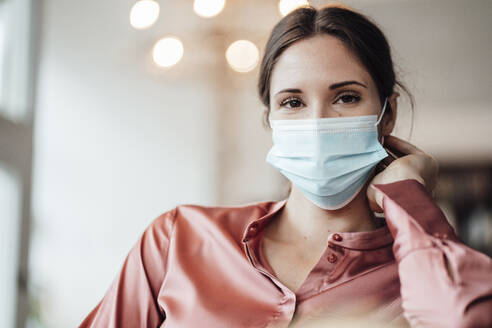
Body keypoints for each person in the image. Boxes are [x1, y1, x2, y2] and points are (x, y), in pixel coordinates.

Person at [79, 5, 492, 328]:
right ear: (270, 121)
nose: (317, 123)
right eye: (293, 102)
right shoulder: (176, 240)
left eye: (346, 97)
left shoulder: (420, 274)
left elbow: (465, 318)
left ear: (386, 114)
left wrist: (408, 194)